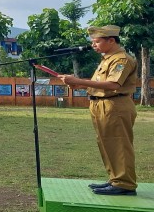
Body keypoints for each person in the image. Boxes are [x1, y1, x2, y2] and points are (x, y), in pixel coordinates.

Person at [58, 25, 139, 196]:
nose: (93, 45)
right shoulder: (107, 59)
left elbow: (113, 84)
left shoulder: (121, 60)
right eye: (92, 42)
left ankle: (125, 184)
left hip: (115, 105)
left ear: (111, 41)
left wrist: (79, 80)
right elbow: (100, 84)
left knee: (118, 143)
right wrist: (78, 84)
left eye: (97, 41)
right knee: (106, 143)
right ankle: (115, 179)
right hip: (101, 104)